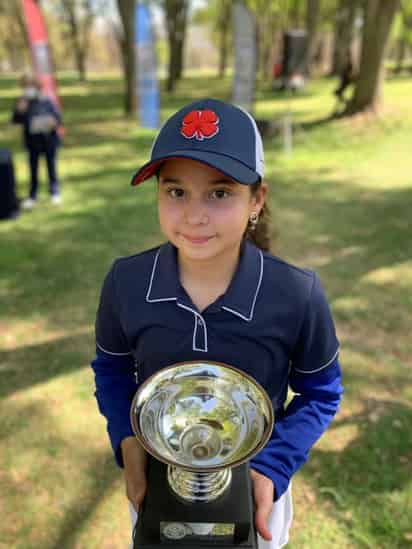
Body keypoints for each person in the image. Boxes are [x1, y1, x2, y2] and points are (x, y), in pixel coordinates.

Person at [91, 98, 343, 548]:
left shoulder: (296, 293)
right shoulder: (126, 283)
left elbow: (321, 392)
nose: (194, 214)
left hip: (256, 490)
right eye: (176, 191)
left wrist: (272, 468)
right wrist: (128, 443)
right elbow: (111, 370)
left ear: (256, 200)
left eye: (220, 192)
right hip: (157, 483)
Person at [11, 74, 62, 209]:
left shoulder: (46, 100)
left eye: (30, 86)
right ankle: (32, 196)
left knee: (51, 167)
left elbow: (57, 117)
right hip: (32, 142)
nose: (28, 89)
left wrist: (53, 121)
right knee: (33, 169)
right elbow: (15, 120)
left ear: (36, 86)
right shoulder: (23, 102)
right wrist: (19, 111)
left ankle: (55, 192)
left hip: (49, 140)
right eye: (25, 86)